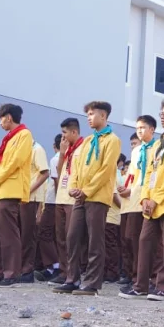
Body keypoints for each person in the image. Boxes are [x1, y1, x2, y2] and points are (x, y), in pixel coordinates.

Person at [121, 98, 164, 302]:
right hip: (151, 202)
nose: (162, 115)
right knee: (144, 241)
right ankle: (140, 285)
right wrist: (145, 197)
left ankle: (163, 286)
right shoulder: (159, 143)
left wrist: (156, 198)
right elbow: (149, 171)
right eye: (161, 112)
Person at [56, 101, 121, 295]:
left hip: (98, 197)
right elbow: (76, 167)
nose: (89, 118)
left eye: (92, 114)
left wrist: (88, 190)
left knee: (95, 240)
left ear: (103, 116)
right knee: (72, 236)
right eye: (88, 115)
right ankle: (72, 278)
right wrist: (75, 187)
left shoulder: (112, 140)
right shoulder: (86, 142)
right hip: (81, 197)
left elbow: (107, 169)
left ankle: (92, 283)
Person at [0, 103, 33, 287]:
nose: (0, 123)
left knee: (8, 234)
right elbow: (0, 163)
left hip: (10, 189)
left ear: (9, 117)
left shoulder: (24, 135)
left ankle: (11, 273)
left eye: (1, 119)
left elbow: (15, 162)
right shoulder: (8, 138)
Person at [118, 115, 157, 291]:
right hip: (135, 197)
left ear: (152, 130)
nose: (139, 131)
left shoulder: (157, 148)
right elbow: (133, 176)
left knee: (149, 240)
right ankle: (136, 276)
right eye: (137, 128)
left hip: (151, 197)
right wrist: (127, 190)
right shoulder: (136, 152)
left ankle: (150, 277)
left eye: (143, 128)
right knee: (132, 238)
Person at [51, 118, 84, 286]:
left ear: (74, 132)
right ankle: (64, 272)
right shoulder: (68, 149)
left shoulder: (83, 147)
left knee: (72, 238)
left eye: (65, 133)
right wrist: (63, 153)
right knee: (61, 237)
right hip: (61, 197)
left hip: (73, 198)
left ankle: (73, 274)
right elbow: (59, 171)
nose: (62, 137)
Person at [21, 136, 50, 283]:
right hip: (19, 196)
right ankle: (19, 269)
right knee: (20, 235)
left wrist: (28, 191)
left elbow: (45, 173)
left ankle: (27, 271)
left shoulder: (37, 149)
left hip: (31, 197)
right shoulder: (22, 150)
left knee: (28, 236)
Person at [35, 134, 63, 281]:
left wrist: (59, 199)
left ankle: (56, 266)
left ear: (54, 146)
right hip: (59, 201)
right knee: (54, 235)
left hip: (54, 202)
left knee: (44, 233)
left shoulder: (55, 159)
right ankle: (52, 267)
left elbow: (57, 182)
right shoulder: (67, 159)